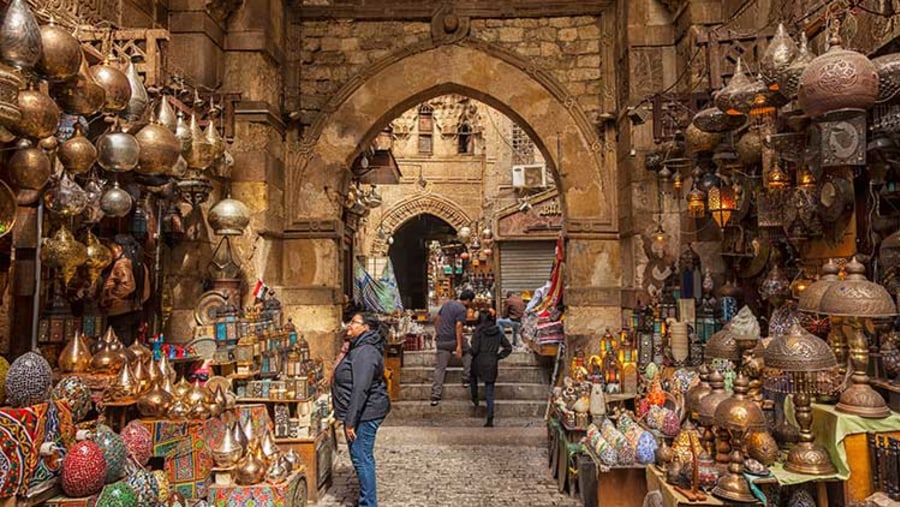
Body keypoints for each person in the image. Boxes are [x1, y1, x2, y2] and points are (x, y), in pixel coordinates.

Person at [332, 313, 391, 507]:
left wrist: (351, 421)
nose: (349, 326)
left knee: (362, 457)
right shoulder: (358, 346)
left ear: (366, 327)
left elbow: (361, 388)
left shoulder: (366, 352)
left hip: (366, 413)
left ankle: (369, 503)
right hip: (360, 412)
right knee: (360, 456)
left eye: (354, 323)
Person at [99, 235, 150, 346]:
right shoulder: (140, 264)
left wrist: (109, 296)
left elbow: (127, 285)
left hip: (120, 312)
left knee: (119, 347)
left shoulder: (122, 263)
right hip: (135, 310)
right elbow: (146, 292)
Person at [431, 290, 475, 406]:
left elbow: (437, 320)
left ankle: (436, 395)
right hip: (453, 339)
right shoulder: (462, 309)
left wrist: (437, 333)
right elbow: (459, 326)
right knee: (469, 351)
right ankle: (466, 378)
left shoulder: (447, 304)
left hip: (441, 340)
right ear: (468, 301)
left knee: (440, 368)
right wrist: (459, 346)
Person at [469, 310, 512, 427]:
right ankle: (490, 417)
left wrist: (468, 350)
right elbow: (508, 347)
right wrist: (498, 356)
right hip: (492, 361)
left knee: (472, 377)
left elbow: (474, 350)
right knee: (489, 391)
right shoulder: (498, 332)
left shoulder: (478, 332)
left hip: (478, 360)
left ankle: (475, 397)